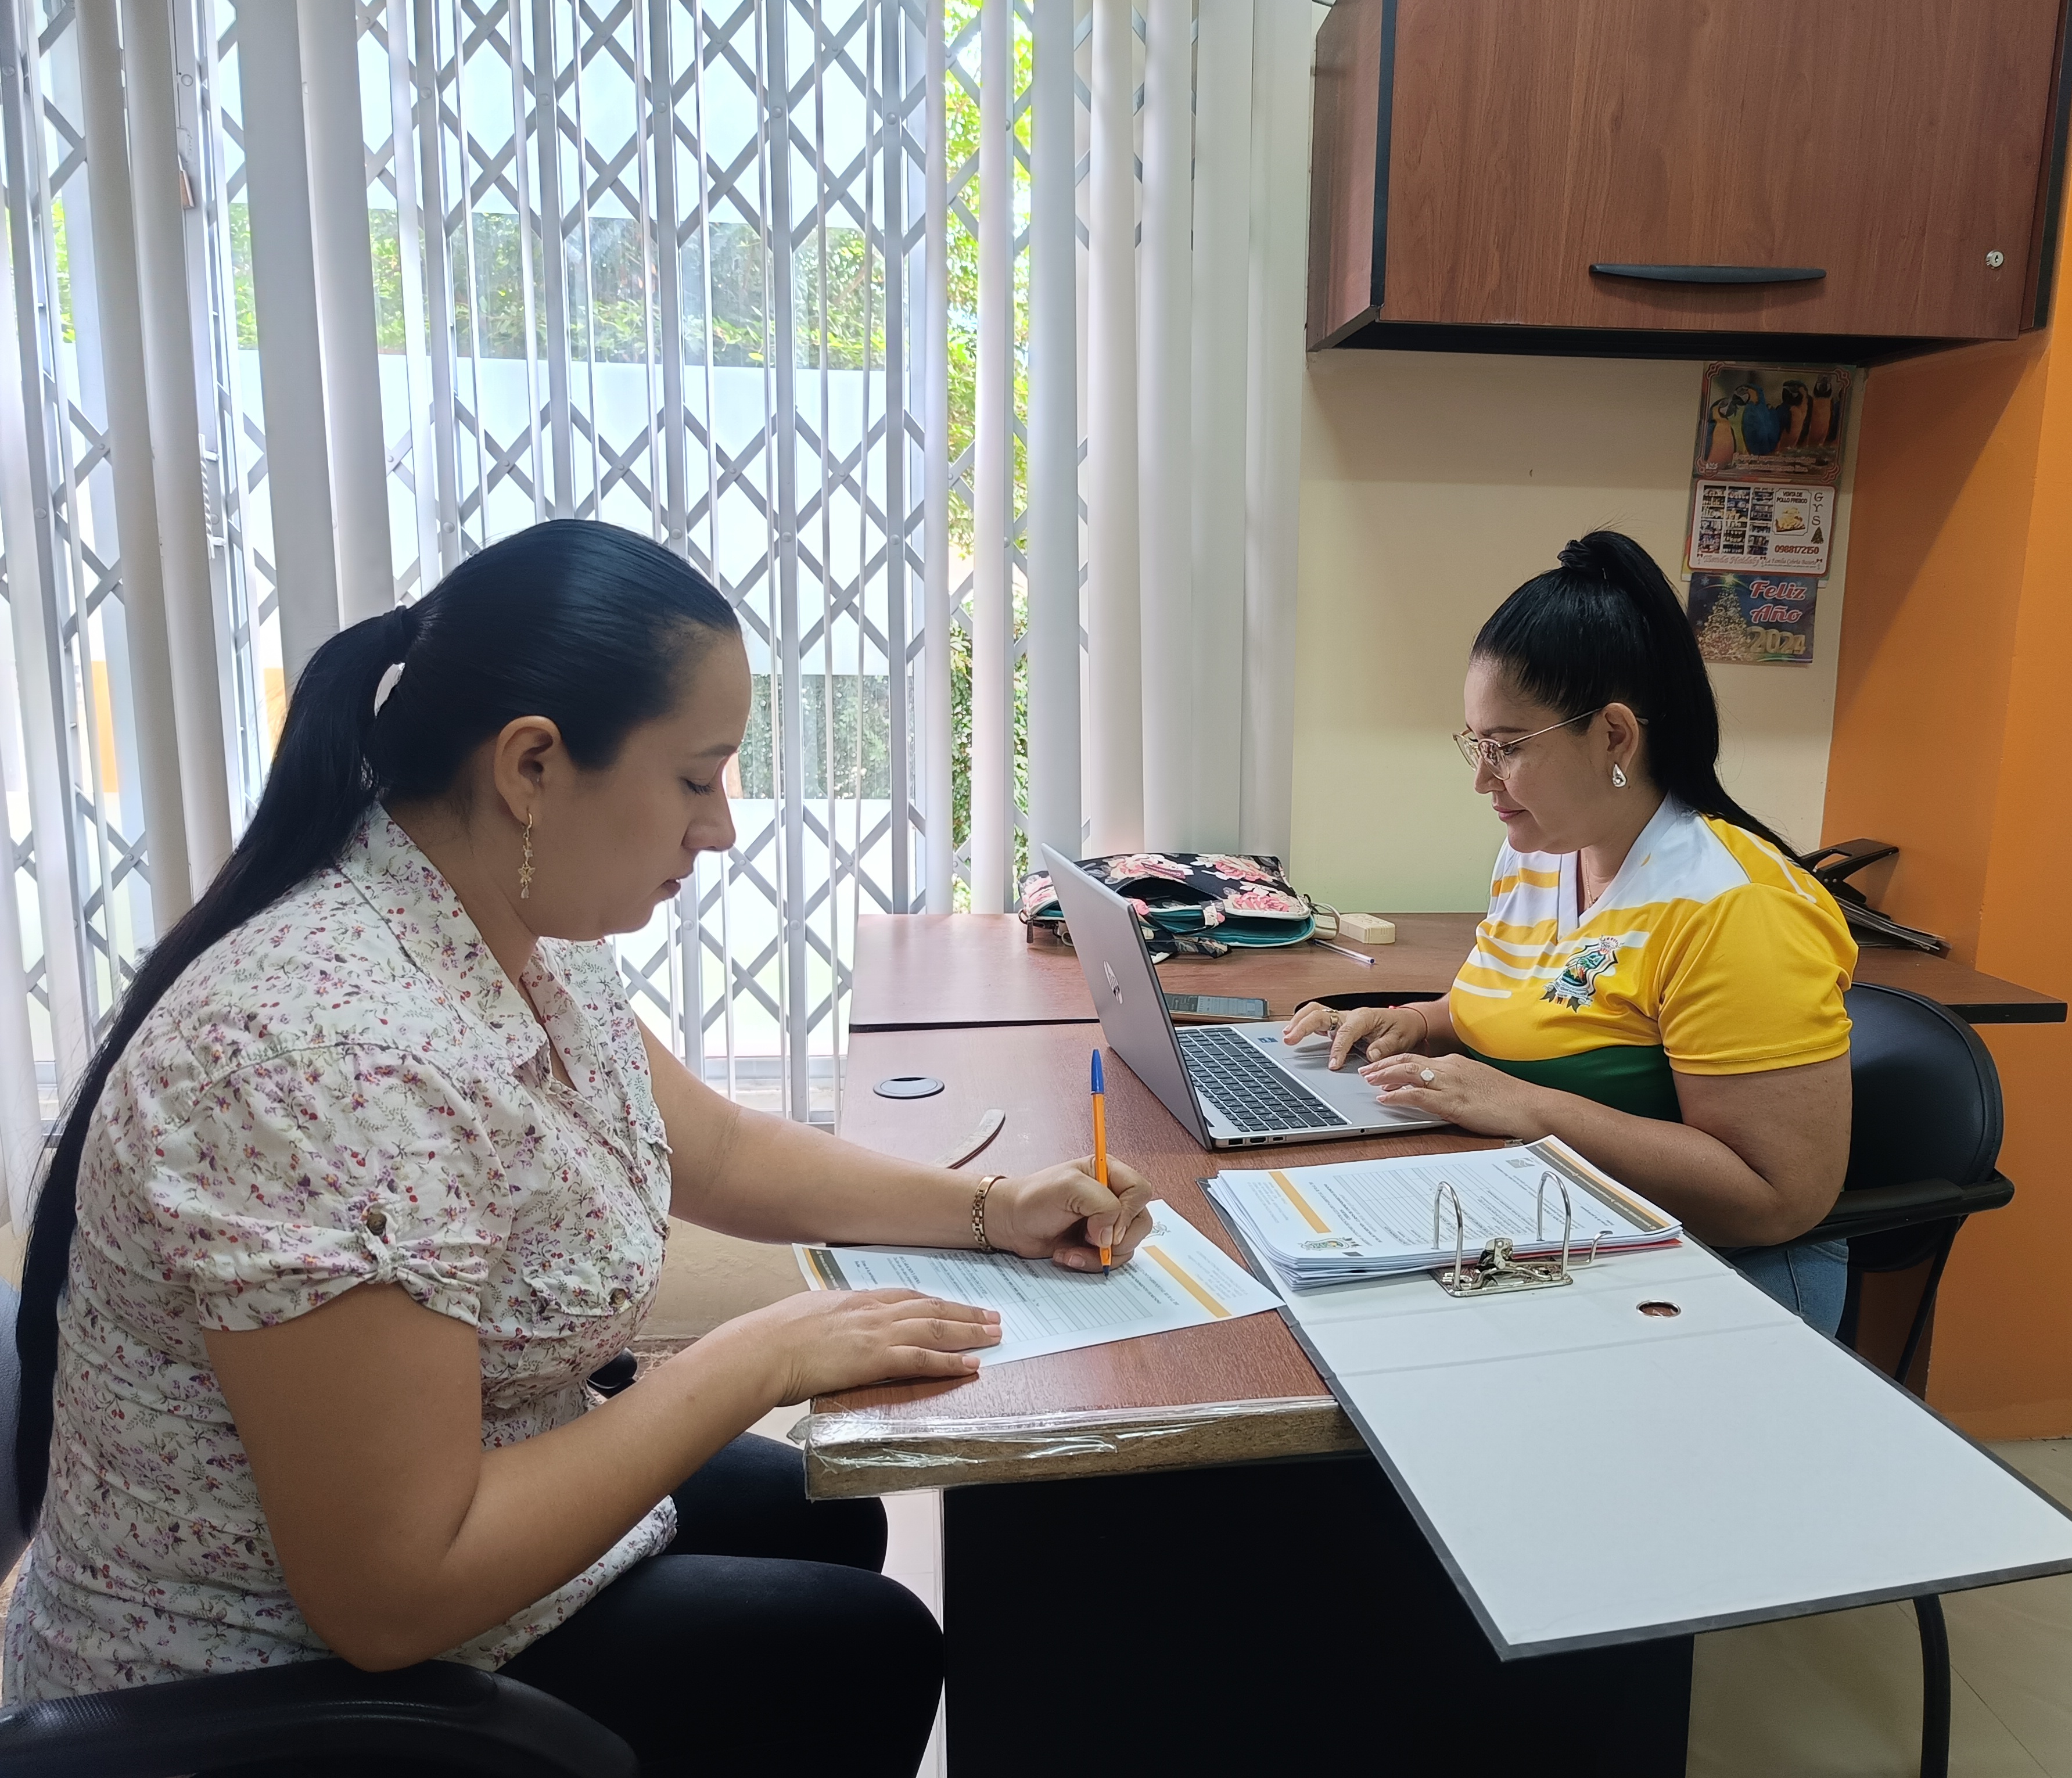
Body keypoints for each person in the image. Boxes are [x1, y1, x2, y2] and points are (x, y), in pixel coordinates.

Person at [3, 520, 1153, 1775]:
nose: (721, 830)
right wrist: (757, 1356)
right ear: (533, 767)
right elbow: (391, 1597)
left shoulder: (512, 933)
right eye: (698, 780)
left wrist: (991, 1206)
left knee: (820, 1514)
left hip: (453, 1511)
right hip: (264, 1683)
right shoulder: (324, 1058)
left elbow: (719, 1151)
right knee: (858, 1646)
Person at [1285, 532, 1855, 1331]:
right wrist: (1415, 1020)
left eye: (1506, 748)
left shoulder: (1735, 908)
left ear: (1614, 736)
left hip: (1712, 1279)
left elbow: (1777, 1199)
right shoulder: (1542, 851)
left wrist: (1526, 1107)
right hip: (1557, 1225)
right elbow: (1538, 1007)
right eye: (1476, 745)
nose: (1482, 779)